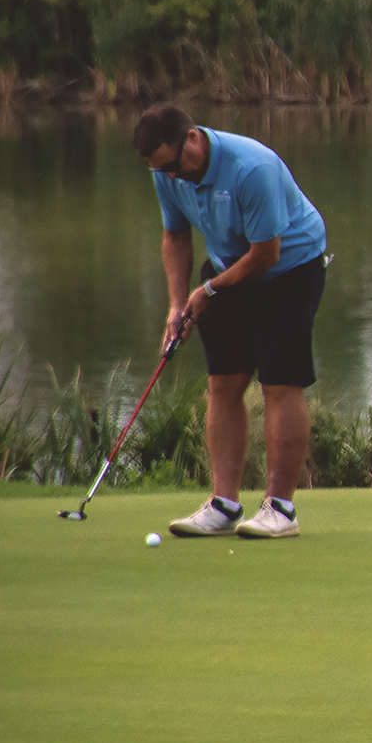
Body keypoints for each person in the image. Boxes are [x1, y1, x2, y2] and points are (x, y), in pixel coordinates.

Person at [130, 104, 329, 540]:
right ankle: (224, 504)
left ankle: (281, 508)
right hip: (227, 269)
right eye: (161, 170)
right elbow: (175, 235)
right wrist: (177, 305)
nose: (172, 177)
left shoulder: (250, 168)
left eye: (174, 164)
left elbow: (266, 254)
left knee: (280, 383)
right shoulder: (166, 173)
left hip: (289, 269)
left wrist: (210, 292)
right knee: (223, 382)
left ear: (194, 138)